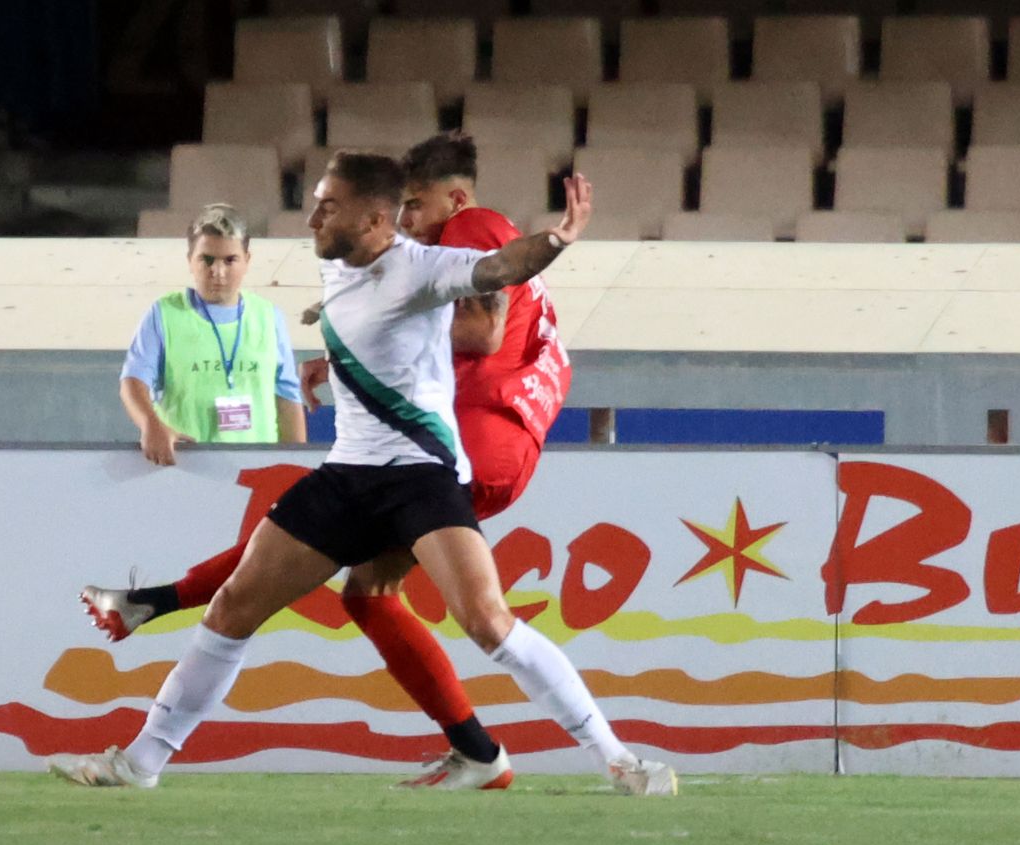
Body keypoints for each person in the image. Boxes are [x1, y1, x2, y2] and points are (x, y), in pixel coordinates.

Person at [49, 151, 673, 796]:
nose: (313, 214)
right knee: (235, 605)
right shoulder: (337, 262)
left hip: (419, 478)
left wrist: (557, 240)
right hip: (348, 474)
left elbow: (496, 269)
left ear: (377, 216)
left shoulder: (424, 269)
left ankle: (621, 760)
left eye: (328, 204)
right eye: (317, 200)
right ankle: (141, 762)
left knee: (487, 621)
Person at [120, 203, 306, 466]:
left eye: (230, 260)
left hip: (257, 468)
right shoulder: (165, 314)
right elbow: (133, 381)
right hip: (185, 466)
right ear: (190, 261)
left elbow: (287, 397)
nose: (217, 272)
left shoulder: (268, 317)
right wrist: (151, 424)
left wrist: (297, 471)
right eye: (206, 259)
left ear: (247, 261)